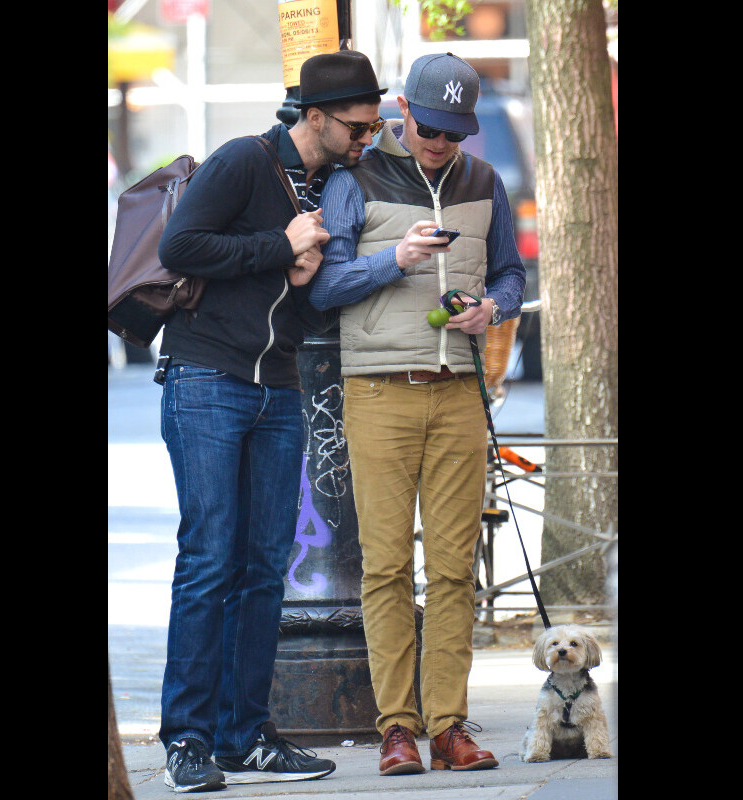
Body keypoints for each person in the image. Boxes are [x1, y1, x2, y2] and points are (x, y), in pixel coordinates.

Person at [152, 50, 386, 793]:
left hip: (277, 387)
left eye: (374, 125)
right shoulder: (242, 162)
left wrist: (308, 277)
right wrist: (276, 248)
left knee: (262, 571)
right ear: (313, 116)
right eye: (357, 125)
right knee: (210, 560)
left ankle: (245, 733)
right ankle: (187, 739)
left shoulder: (331, 182)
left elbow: (298, 298)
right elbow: (179, 246)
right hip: (208, 380)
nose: (366, 137)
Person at [309, 52, 526, 776]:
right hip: (378, 389)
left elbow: (510, 270)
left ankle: (449, 726)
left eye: (453, 135)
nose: (441, 146)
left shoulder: (483, 180)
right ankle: (397, 728)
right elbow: (324, 285)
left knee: (457, 567)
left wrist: (494, 307)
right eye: (430, 130)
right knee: (387, 567)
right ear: (404, 109)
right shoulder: (354, 180)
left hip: (459, 388)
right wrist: (394, 259)